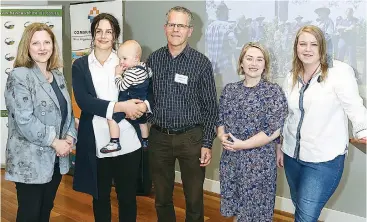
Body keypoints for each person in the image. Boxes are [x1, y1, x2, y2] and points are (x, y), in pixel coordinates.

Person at [277, 25, 367, 222]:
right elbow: (286, 114)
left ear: (322, 47)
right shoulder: (292, 75)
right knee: (301, 208)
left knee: (305, 217)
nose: (307, 49)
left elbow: (354, 106)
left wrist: (363, 131)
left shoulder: (339, 72)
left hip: (324, 160)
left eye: (313, 44)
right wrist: (280, 145)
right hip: (292, 155)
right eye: (303, 44)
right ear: (296, 47)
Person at [72, 13, 147, 222]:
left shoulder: (127, 61)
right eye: (99, 31)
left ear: (115, 36)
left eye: (109, 31)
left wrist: (143, 106)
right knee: (100, 197)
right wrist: (120, 106)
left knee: (127, 197)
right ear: (92, 34)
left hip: (128, 140)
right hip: (97, 141)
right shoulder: (80, 66)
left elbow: (144, 89)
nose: (103, 36)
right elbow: (84, 102)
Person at [146, 6, 218, 222]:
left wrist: (206, 143)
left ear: (190, 30)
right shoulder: (154, 60)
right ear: (165, 27)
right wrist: (150, 120)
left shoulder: (201, 63)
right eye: (172, 24)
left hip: (191, 139)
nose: (176, 29)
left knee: (194, 198)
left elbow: (211, 107)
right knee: (161, 197)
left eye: (181, 25)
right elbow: (146, 97)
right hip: (159, 138)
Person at [4, 22, 77, 222]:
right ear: (27, 47)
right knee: (30, 214)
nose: (42, 48)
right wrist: (56, 142)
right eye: (36, 43)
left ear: (53, 46)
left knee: (45, 211)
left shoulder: (58, 76)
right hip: (30, 160)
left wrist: (70, 137)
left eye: (47, 42)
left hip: (54, 160)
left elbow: (68, 113)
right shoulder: (20, 76)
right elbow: (24, 120)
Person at [217, 42, 288, 222]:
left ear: (265, 65)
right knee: (237, 210)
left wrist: (243, 145)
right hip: (231, 160)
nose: (253, 63)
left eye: (259, 59)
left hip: (259, 164)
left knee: (255, 214)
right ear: (241, 62)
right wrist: (221, 136)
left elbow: (274, 129)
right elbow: (220, 120)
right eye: (249, 58)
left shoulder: (273, 92)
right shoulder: (230, 90)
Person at [100, 40, 152, 153]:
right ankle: (145, 141)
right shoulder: (146, 68)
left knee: (111, 118)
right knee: (143, 123)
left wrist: (118, 74)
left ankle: (114, 141)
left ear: (136, 58)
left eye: (124, 58)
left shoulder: (131, 72)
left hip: (129, 104)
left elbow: (122, 86)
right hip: (141, 104)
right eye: (120, 59)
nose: (121, 62)